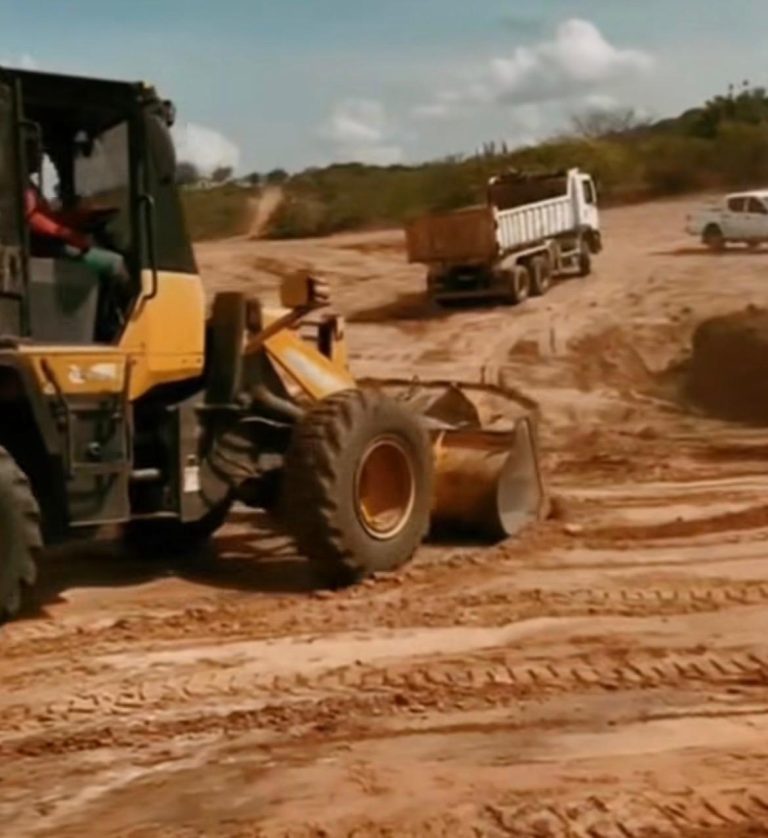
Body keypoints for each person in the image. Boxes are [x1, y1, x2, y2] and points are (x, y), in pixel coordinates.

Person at [24, 133, 129, 289]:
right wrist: (66, 233)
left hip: (45, 245)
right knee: (115, 264)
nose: (41, 155)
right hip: (42, 250)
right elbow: (30, 218)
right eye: (37, 148)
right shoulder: (16, 184)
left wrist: (82, 216)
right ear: (23, 150)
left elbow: (48, 218)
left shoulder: (27, 184)